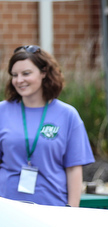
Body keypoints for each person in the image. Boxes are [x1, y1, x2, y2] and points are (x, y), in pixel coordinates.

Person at [0, 45, 94, 207]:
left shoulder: (67, 115)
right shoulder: (2, 111)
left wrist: (71, 210)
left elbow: (73, 169)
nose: (19, 80)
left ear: (44, 72)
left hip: (52, 209)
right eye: (14, 75)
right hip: (8, 210)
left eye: (26, 73)